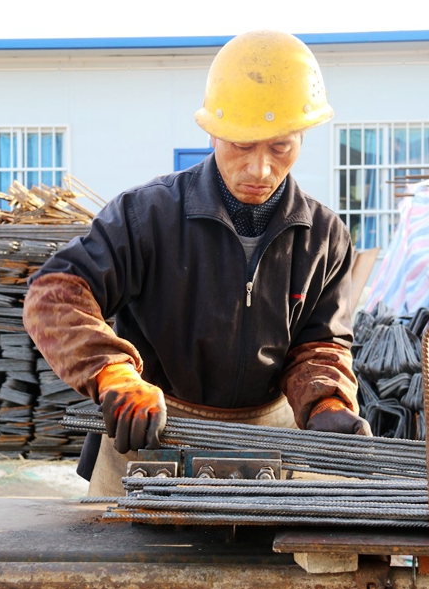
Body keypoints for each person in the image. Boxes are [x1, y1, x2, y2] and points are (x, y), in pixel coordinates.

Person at [22, 30, 370, 496]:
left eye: (280, 147)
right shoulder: (147, 216)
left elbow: (321, 344)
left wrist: (326, 400)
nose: (260, 169)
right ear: (212, 132)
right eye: (242, 145)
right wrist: (113, 373)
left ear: (302, 137)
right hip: (150, 436)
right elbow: (53, 295)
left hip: (270, 445)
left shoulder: (325, 236)